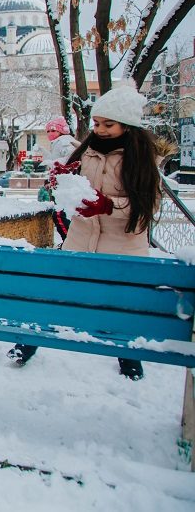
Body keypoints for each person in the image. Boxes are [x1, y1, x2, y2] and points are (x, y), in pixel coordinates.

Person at [9, 84, 161, 381]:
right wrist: (62, 181)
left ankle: (129, 359)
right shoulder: (86, 151)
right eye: (97, 124)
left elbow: (148, 203)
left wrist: (107, 205)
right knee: (58, 294)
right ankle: (28, 344)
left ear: (127, 126)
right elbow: (72, 188)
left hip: (123, 247)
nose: (101, 130)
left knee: (121, 305)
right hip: (80, 239)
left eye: (109, 124)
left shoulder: (141, 158)